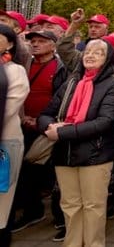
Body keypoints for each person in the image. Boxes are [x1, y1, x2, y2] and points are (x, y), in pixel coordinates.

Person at [38, 38, 114, 246]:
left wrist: (63, 131)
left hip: (95, 154)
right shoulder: (71, 83)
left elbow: (104, 122)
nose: (90, 55)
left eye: (98, 53)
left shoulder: (112, 86)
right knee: (70, 204)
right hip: (64, 154)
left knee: (93, 206)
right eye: (87, 51)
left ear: (108, 59)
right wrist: (49, 127)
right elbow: (46, 114)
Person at [11, 30, 66, 239]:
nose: (35, 45)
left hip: (47, 127)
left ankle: (60, 218)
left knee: (53, 173)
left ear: (53, 45)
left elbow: (60, 98)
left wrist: (43, 121)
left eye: (41, 41)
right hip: (22, 124)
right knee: (25, 171)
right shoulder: (24, 65)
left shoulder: (61, 68)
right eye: (33, 41)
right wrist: (23, 116)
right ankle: (32, 212)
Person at [0, 24, 31, 245]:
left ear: (10, 43)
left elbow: (9, 109)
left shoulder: (15, 71)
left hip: (5, 143)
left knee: (2, 201)